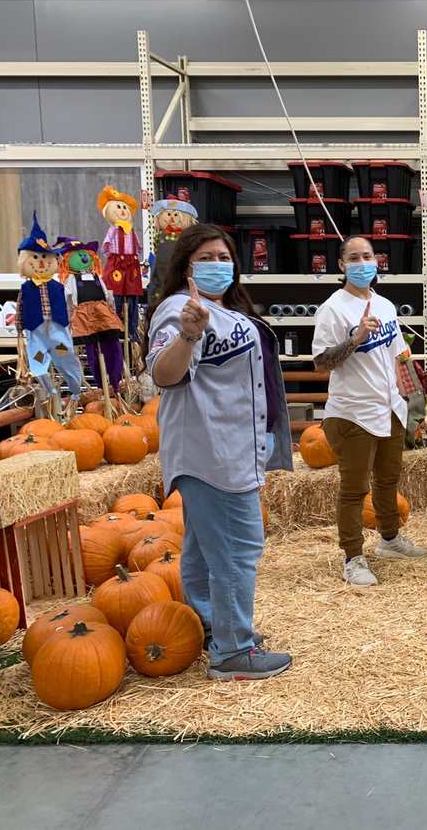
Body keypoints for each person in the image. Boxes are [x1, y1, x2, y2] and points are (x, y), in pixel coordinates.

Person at [147, 223, 294, 681]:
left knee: (203, 548)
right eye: (206, 259)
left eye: (224, 257)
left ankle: (211, 625)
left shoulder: (226, 308)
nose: (217, 265)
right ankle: (233, 651)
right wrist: (188, 336)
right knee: (237, 548)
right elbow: (163, 374)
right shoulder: (180, 310)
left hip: (229, 447)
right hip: (212, 451)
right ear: (185, 267)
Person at [313, 235, 427, 587]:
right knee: (353, 489)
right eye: (355, 257)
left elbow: (399, 356)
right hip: (352, 413)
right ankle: (353, 557)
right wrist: (355, 338)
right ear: (342, 265)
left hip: (390, 406)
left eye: (369, 256)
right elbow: (321, 363)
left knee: (388, 479)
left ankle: (390, 540)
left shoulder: (386, 305)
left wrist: (415, 398)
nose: (364, 262)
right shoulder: (333, 309)